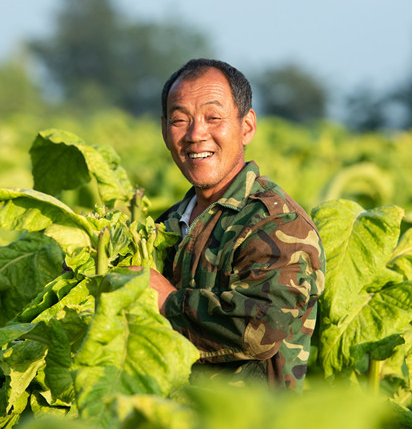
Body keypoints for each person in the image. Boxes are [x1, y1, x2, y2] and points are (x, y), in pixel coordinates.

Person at [139, 58, 326, 390]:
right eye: (180, 119)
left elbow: (261, 330)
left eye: (213, 118)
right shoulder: (165, 224)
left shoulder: (278, 223)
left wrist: (168, 303)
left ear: (247, 127)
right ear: (165, 129)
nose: (196, 134)